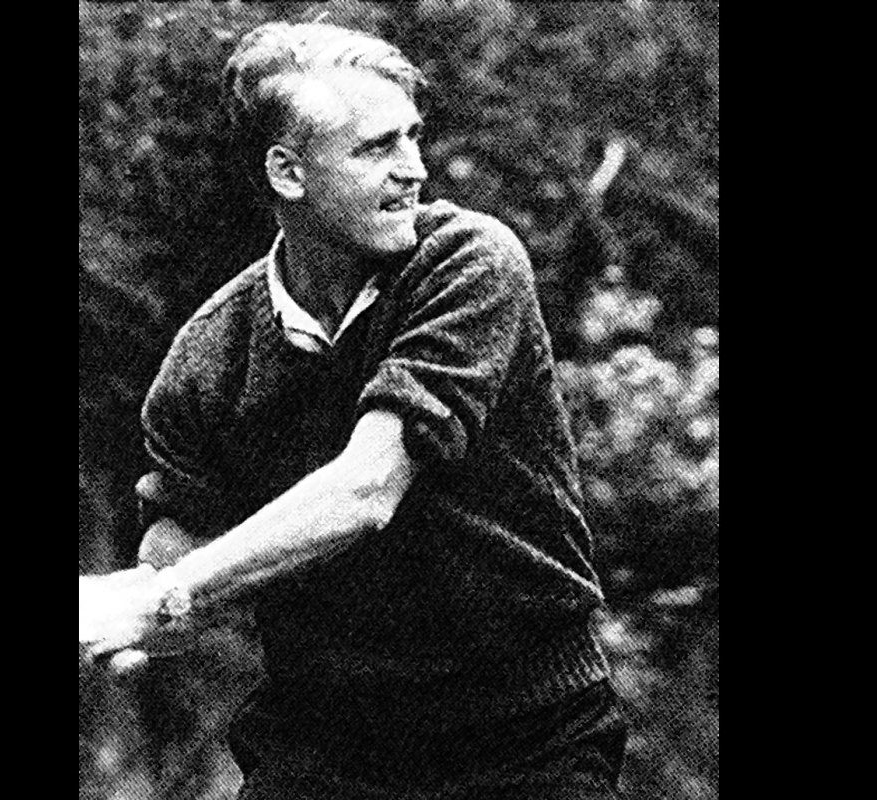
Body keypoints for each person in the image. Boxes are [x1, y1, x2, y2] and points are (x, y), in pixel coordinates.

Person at [82, 20, 627, 799]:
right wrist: (132, 607)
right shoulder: (207, 360)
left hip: (525, 736)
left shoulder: (467, 263)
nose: (414, 170)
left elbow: (367, 491)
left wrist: (163, 598)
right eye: (376, 149)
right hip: (324, 745)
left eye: (413, 138)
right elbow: (180, 545)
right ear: (288, 173)